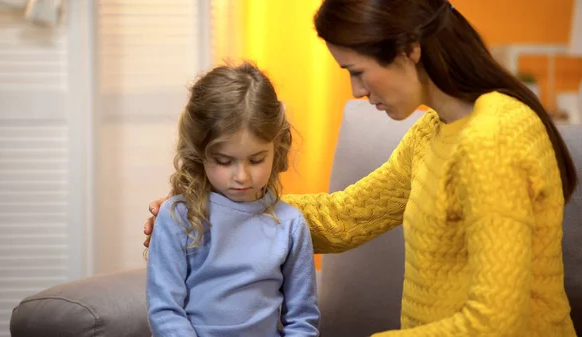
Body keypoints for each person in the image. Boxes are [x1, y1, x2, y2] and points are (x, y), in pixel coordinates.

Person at [144, 0, 579, 336]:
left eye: (357, 71)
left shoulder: (493, 138)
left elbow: (495, 323)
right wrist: (225, 211)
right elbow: (346, 215)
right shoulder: (434, 131)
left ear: (409, 51)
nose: (355, 90)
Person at [145, 61, 320, 337]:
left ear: (278, 147)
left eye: (256, 159)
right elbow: (165, 311)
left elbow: (302, 320)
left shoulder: (291, 225)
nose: (242, 176)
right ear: (199, 153)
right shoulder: (177, 216)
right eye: (224, 161)